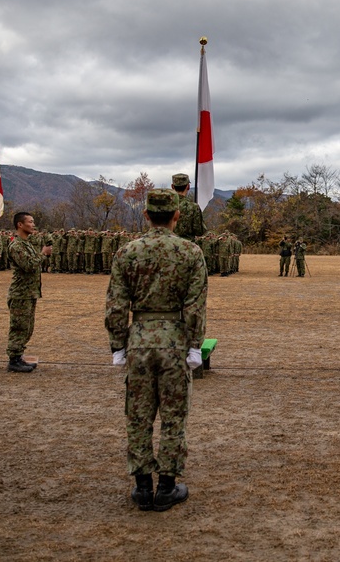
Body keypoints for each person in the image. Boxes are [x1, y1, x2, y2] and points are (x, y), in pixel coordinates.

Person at [105, 189, 207, 512]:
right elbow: (195, 307)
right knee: (173, 416)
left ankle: (142, 486)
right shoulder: (191, 252)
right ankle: (166, 487)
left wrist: (118, 345)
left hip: (139, 340)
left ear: (146, 215)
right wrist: (195, 345)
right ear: (177, 216)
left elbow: (116, 305)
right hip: (175, 340)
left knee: (138, 415)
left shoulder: (127, 252)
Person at [6, 212, 52, 373]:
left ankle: (19, 355)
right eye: (30, 222)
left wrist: (44, 255)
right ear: (20, 224)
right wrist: (43, 254)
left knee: (27, 327)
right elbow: (29, 265)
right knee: (19, 327)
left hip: (29, 292)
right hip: (20, 293)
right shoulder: (16, 245)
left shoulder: (26, 244)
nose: (33, 225)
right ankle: (14, 359)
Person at [172, 173, 206, 241]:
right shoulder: (193, 207)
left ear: (172, 186)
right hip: (188, 247)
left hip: (168, 246)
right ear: (188, 186)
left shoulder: (165, 205)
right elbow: (200, 231)